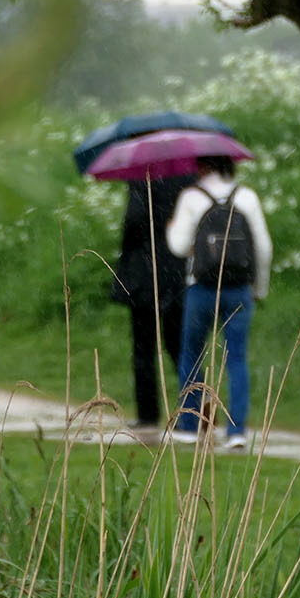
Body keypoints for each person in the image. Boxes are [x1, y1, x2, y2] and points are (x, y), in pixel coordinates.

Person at [166, 155, 273, 450]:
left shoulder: (191, 196)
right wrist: (258, 289)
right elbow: (263, 247)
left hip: (200, 288)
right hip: (238, 289)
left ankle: (189, 426)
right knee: (236, 358)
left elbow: (177, 246)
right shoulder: (246, 196)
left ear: (200, 165)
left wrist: (171, 227)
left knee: (192, 354)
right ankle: (237, 431)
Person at [111, 174, 194, 442]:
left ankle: (148, 413)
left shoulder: (142, 181)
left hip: (144, 278)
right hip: (176, 273)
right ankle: (192, 410)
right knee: (180, 347)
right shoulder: (187, 180)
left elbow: (134, 221)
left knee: (143, 348)